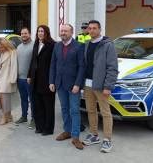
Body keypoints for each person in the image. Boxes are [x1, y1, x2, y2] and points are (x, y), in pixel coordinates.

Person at [82, 20, 118, 153]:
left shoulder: (108, 45)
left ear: (100, 30)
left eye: (94, 28)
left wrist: (108, 86)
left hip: (101, 85)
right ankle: (94, 134)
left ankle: (107, 140)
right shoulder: (87, 44)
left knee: (105, 113)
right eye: (89, 28)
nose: (91, 31)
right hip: (88, 84)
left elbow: (112, 67)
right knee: (91, 110)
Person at [49, 24, 85, 150]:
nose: (63, 33)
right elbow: (53, 64)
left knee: (74, 110)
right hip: (60, 84)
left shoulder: (79, 46)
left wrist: (78, 84)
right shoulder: (57, 46)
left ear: (71, 32)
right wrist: (51, 81)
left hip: (73, 85)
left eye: (65, 31)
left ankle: (75, 137)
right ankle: (67, 131)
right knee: (64, 108)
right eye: (61, 31)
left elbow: (82, 67)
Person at [28, 25, 55, 135]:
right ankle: (39, 126)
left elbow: (54, 64)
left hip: (47, 81)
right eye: (38, 31)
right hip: (35, 80)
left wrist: (52, 81)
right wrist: (29, 75)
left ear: (46, 33)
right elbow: (33, 61)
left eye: (42, 31)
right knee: (37, 104)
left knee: (48, 106)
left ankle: (48, 129)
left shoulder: (52, 45)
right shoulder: (36, 44)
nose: (40, 33)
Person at [15, 27, 35, 129]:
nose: (24, 35)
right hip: (20, 78)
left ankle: (34, 119)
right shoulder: (18, 47)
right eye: (22, 33)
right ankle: (24, 116)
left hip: (29, 79)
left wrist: (31, 76)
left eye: (26, 33)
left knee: (32, 99)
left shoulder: (34, 46)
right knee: (23, 99)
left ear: (30, 34)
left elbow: (35, 63)